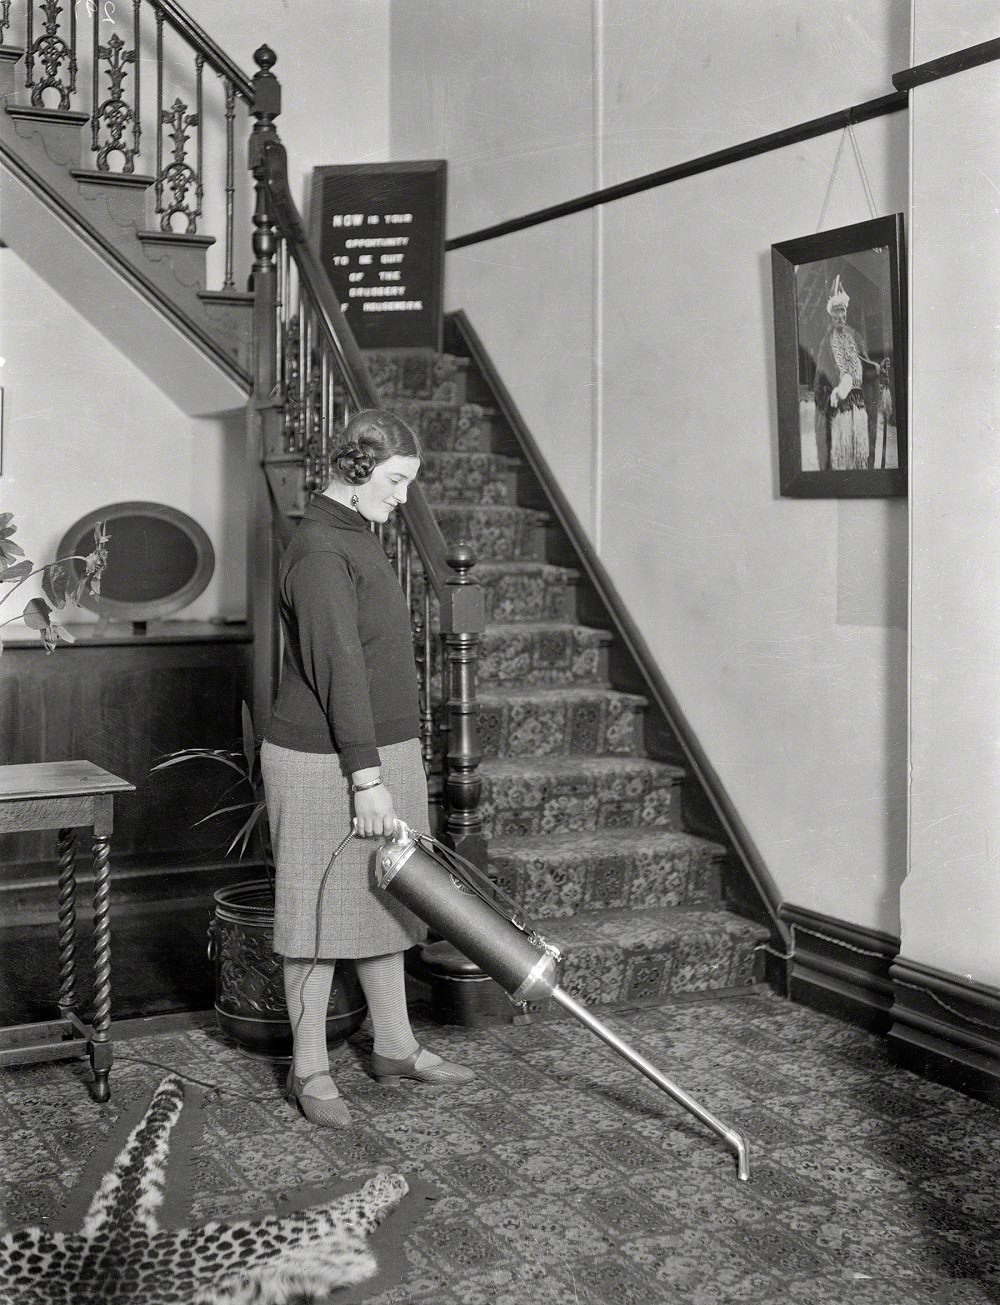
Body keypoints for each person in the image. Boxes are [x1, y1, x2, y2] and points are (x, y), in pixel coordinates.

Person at [261, 407, 473, 1128]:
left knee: (390, 897)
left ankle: (395, 1045)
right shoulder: (321, 547)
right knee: (317, 916)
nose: (404, 496)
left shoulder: (356, 533)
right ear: (356, 470)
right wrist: (366, 777)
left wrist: (385, 764)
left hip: (378, 752)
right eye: (396, 479)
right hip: (328, 760)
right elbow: (338, 668)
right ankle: (310, 1068)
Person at [812, 275, 880, 471]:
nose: (840, 317)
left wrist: (877, 373)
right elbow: (820, 381)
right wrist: (829, 398)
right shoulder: (826, 345)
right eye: (836, 314)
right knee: (842, 459)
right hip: (839, 410)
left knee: (861, 457)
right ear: (831, 316)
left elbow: (865, 369)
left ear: (846, 313)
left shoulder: (856, 339)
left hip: (859, 407)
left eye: (842, 313)